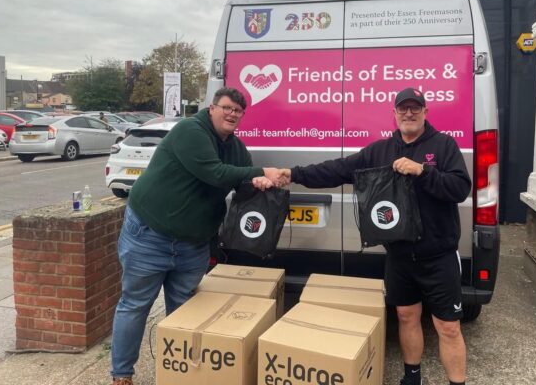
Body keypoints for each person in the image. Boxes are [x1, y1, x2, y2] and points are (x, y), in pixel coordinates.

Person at [277, 87, 471, 385]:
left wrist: (423, 171)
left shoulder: (444, 146)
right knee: (406, 316)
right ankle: (412, 378)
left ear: (425, 112)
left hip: (438, 255)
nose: (409, 113)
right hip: (399, 256)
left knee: (448, 327)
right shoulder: (380, 150)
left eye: (415, 108)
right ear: (394, 113)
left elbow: (460, 189)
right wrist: (293, 174)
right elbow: (337, 170)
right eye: (403, 108)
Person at [109, 87, 286, 385]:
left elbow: (241, 184)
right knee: (136, 304)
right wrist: (262, 170)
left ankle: (179, 372)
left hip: (193, 244)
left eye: (238, 111)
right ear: (212, 108)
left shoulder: (236, 148)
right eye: (227, 107)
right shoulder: (190, 130)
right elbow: (214, 172)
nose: (232, 114)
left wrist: (258, 182)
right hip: (150, 234)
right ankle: (122, 375)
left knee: (185, 309)